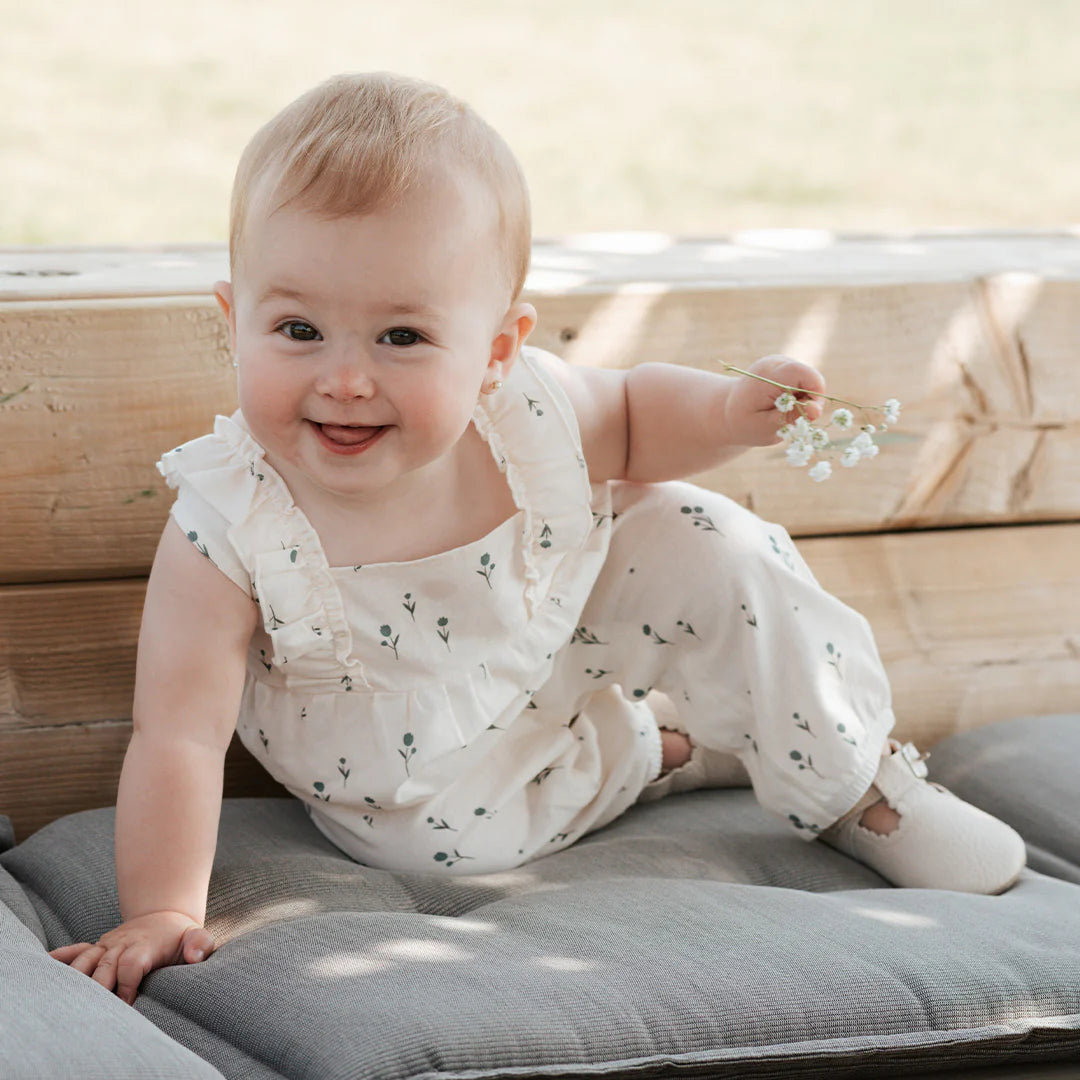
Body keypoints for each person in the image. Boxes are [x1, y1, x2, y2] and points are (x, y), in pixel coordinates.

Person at [48, 71, 1026, 1006]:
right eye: (298, 330)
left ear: (497, 351)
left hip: (560, 630)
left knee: (714, 543)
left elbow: (639, 416)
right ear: (234, 323)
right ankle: (660, 751)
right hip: (414, 762)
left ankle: (851, 781)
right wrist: (164, 909)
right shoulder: (228, 524)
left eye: (401, 338)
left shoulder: (525, 416)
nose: (344, 378)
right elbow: (178, 736)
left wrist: (733, 411)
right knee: (445, 844)